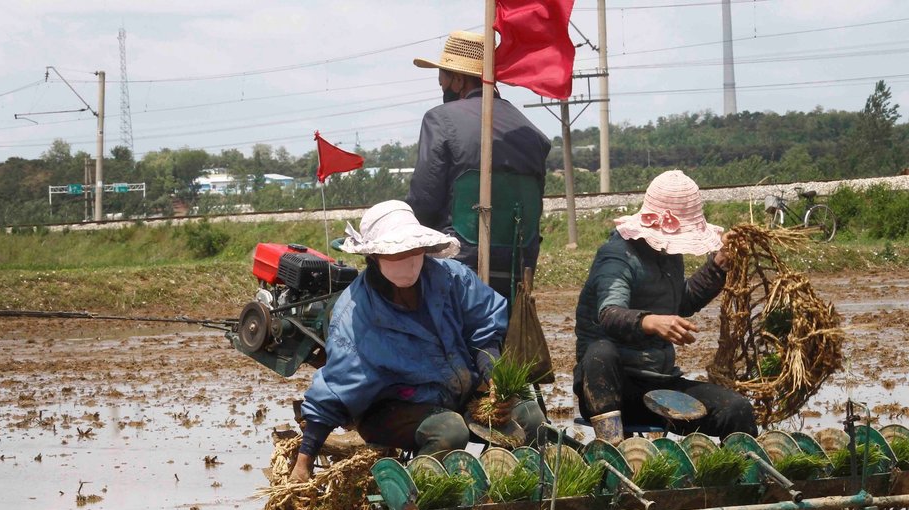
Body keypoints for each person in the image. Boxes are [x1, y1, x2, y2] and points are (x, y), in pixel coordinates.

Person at [289, 200, 545, 482]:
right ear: (374, 256)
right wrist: (304, 461)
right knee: (449, 431)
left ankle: (518, 489)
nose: (409, 260)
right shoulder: (356, 314)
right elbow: (336, 389)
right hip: (389, 408)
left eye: (414, 251)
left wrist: (493, 378)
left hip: (456, 392)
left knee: (530, 417)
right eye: (397, 253)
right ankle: (416, 493)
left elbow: (483, 326)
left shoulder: (452, 279)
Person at [573, 170, 757, 440]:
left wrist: (718, 266)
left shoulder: (669, 256)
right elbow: (609, 314)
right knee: (601, 352)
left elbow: (681, 302)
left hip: (658, 386)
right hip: (612, 389)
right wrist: (651, 322)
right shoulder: (617, 256)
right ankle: (613, 450)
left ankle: (739, 476)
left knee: (736, 410)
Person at [406, 30, 551, 300]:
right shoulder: (534, 135)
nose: (442, 90)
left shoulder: (440, 120)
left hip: (456, 265)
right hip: (518, 267)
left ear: (458, 79)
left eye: (443, 82)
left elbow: (423, 201)